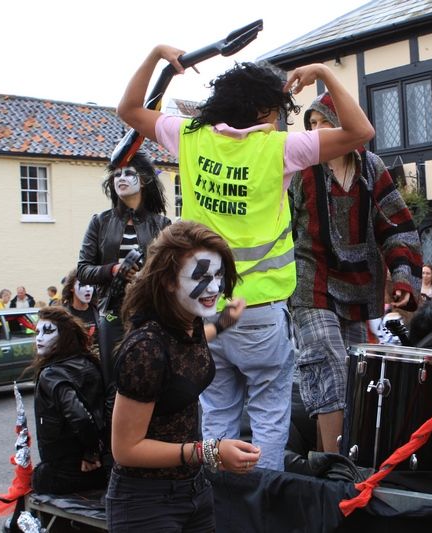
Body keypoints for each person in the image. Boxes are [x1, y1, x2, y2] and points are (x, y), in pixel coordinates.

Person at [117, 45, 374, 470]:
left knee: (217, 412)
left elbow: (128, 109)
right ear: (259, 111)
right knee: (270, 416)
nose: (279, 119)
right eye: (276, 111)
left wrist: (157, 56)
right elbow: (359, 131)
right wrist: (325, 74)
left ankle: (219, 499)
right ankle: (261, 498)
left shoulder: (189, 137)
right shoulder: (281, 149)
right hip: (259, 311)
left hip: (201, 311)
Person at [289, 92, 422, 452]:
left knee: (352, 378)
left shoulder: (371, 167)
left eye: (324, 123)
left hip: (358, 286)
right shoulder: (300, 168)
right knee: (327, 363)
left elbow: (397, 225)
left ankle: (326, 463)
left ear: (344, 126)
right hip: (309, 281)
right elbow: (278, 226)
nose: (316, 132)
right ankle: (338, 470)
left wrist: (403, 276)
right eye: (311, 125)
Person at [107, 221, 256, 532]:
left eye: (217, 276)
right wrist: (210, 452)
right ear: (169, 281)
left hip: (194, 492)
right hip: (146, 505)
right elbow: (125, 449)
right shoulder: (146, 349)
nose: (214, 288)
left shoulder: (189, 324)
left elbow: (194, 345)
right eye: (200, 277)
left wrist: (227, 320)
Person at [76, 150, 171, 384]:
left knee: (152, 375)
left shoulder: (161, 224)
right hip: (112, 312)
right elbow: (83, 270)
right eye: (117, 174)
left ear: (144, 180)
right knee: (114, 379)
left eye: (129, 173)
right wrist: (113, 270)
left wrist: (144, 276)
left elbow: (171, 272)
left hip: (151, 310)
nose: (121, 178)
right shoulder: (100, 221)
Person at [28, 306, 109, 495]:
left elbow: (80, 416)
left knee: (34, 486)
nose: (39, 338)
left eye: (47, 332)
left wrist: (90, 452)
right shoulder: (89, 363)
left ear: (63, 336)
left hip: (66, 468)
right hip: (98, 466)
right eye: (38, 332)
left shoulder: (52, 374)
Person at [61, 269, 99, 352]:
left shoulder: (99, 311)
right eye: (83, 285)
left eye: (91, 285)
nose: (88, 289)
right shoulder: (63, 314)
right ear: (72, 288)